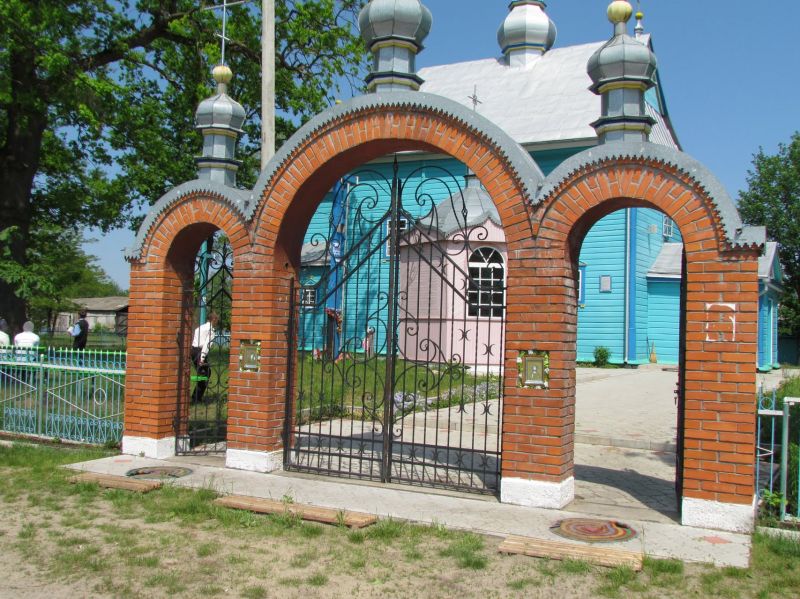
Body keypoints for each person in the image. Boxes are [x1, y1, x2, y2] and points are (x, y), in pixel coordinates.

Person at [191, 312, 219, 404]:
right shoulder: (211, 330)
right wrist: (202, 358)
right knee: (205, 374)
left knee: (203, 374)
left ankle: (196, 396)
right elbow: (206, 345)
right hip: (200, 352)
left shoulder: (200, 327)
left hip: (194, 351)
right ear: (213, 319)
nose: (217, 322)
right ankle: (196, 398)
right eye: (217, 320)